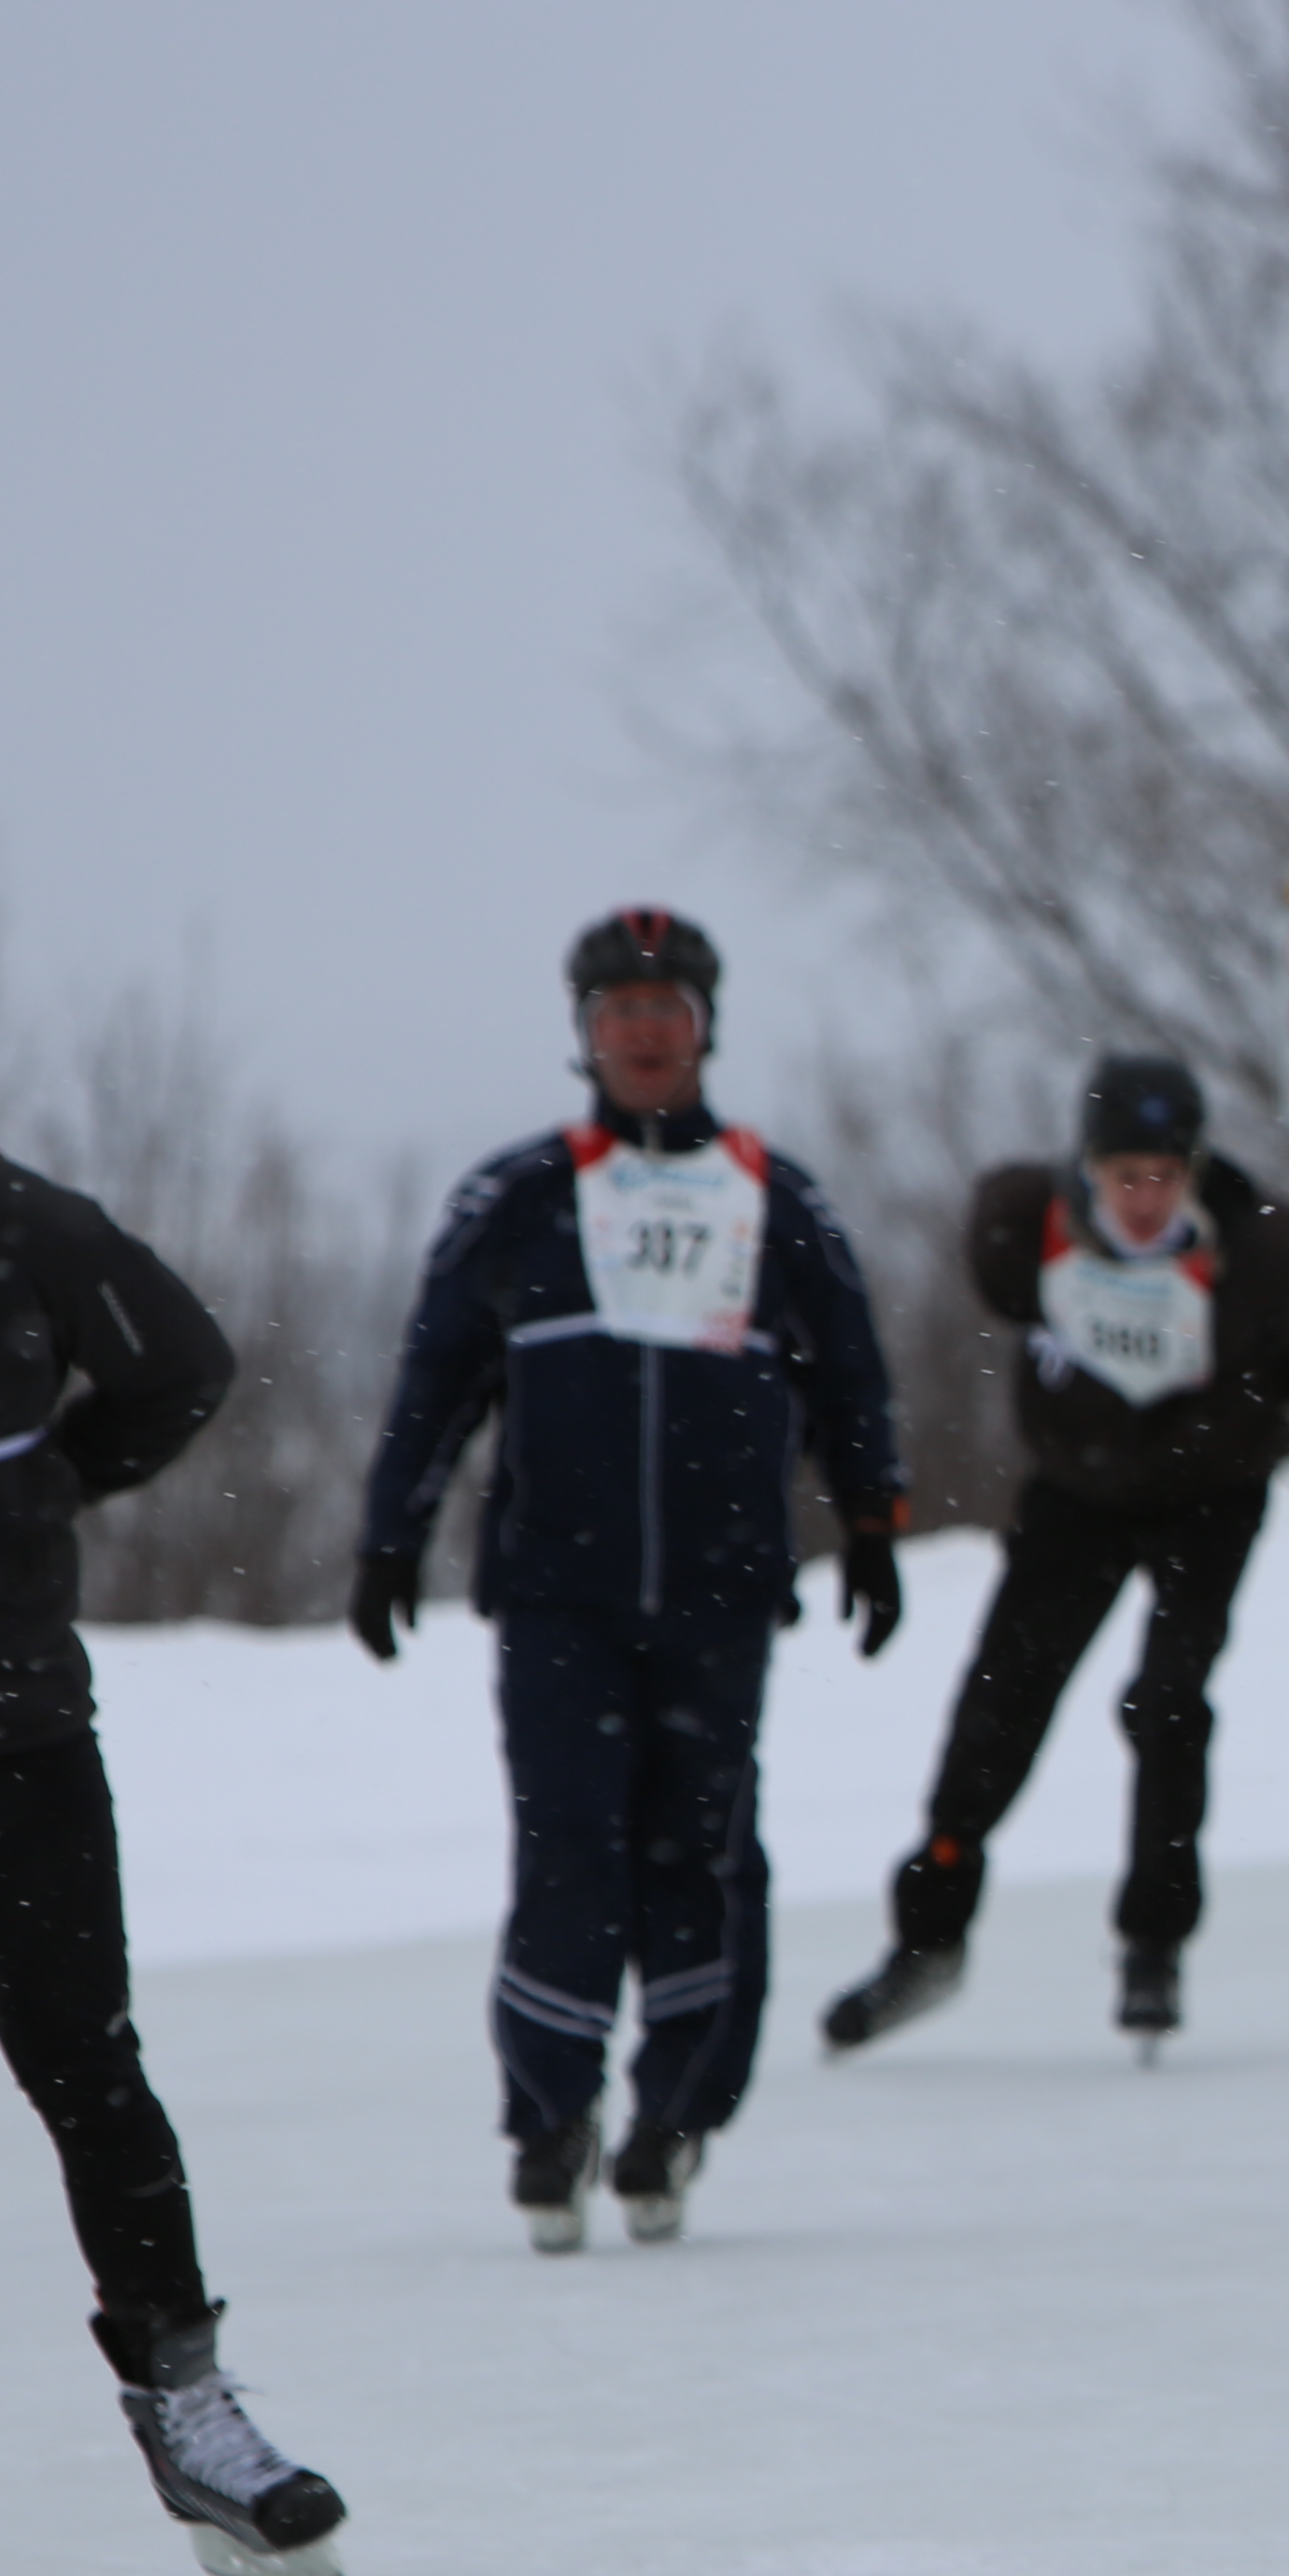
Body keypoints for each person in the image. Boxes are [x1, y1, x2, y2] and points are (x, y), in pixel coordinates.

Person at [0, 882, 345, 2576]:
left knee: (85, 2069)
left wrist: (40, 1492)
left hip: (3, 1732)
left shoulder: (17, 1219)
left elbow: (183, 1367)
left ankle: (187, 2400)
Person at [355, 907, 906, 2254]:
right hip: (561, 1596)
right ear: (584, 1035)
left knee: (701, 1855)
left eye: (667, 1009)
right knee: (569, 1847)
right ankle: (550, 2118)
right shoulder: (520, 1195)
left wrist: (874, 1526)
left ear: (705, 1028)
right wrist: (388, 1534)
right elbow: (438, 1376)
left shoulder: (779, 1198)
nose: (644, 1033)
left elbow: (850, 1373)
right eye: (619, 1013)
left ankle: (675, 2113)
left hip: (722, 1593)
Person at [819, 1053, 1289, 2057]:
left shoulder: (1268, 1253)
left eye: (1166, 1176)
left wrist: (1245, 1402)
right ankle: (928, 1935)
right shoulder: (1028, 1229)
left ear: (1196, 1169)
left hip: (1209, 1499)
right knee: (1000, 1707)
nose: (1146, 1199)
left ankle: (1154, 1941)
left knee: (1167, 1702)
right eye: (1125, 1177)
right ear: (1088, 1170)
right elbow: (995, 1261)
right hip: (1077, 1495)